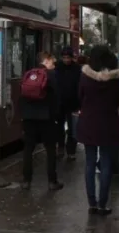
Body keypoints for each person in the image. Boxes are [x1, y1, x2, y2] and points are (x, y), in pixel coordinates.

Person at [77, 45, 119, 216]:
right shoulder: (115, 78)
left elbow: (80, 96)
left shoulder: (85, 76)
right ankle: (103, 204)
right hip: (108, 124)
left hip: (88, 122)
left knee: (89, 163)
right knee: (105, 163)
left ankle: (92, 203)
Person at [20, 52, 63, 191]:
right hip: (46, 118)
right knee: (50, 149)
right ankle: (52, 181)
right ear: (45, 61)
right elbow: (56, 97)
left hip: (28, 118)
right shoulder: (51, 75)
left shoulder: (28, 74)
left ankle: (26, 180)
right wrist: (56, 116)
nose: (53, 64)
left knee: (28, 149)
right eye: (51, 61)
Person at [55, 46, 81, 160]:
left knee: (72, 129)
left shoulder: (77, 69)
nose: (66, 60)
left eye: (68, 57)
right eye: (64, 57)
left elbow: (79, 87)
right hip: (60, 103)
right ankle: (61, 147)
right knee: (59, 127)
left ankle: (71, 151)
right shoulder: (58, 67)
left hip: (73, 104)